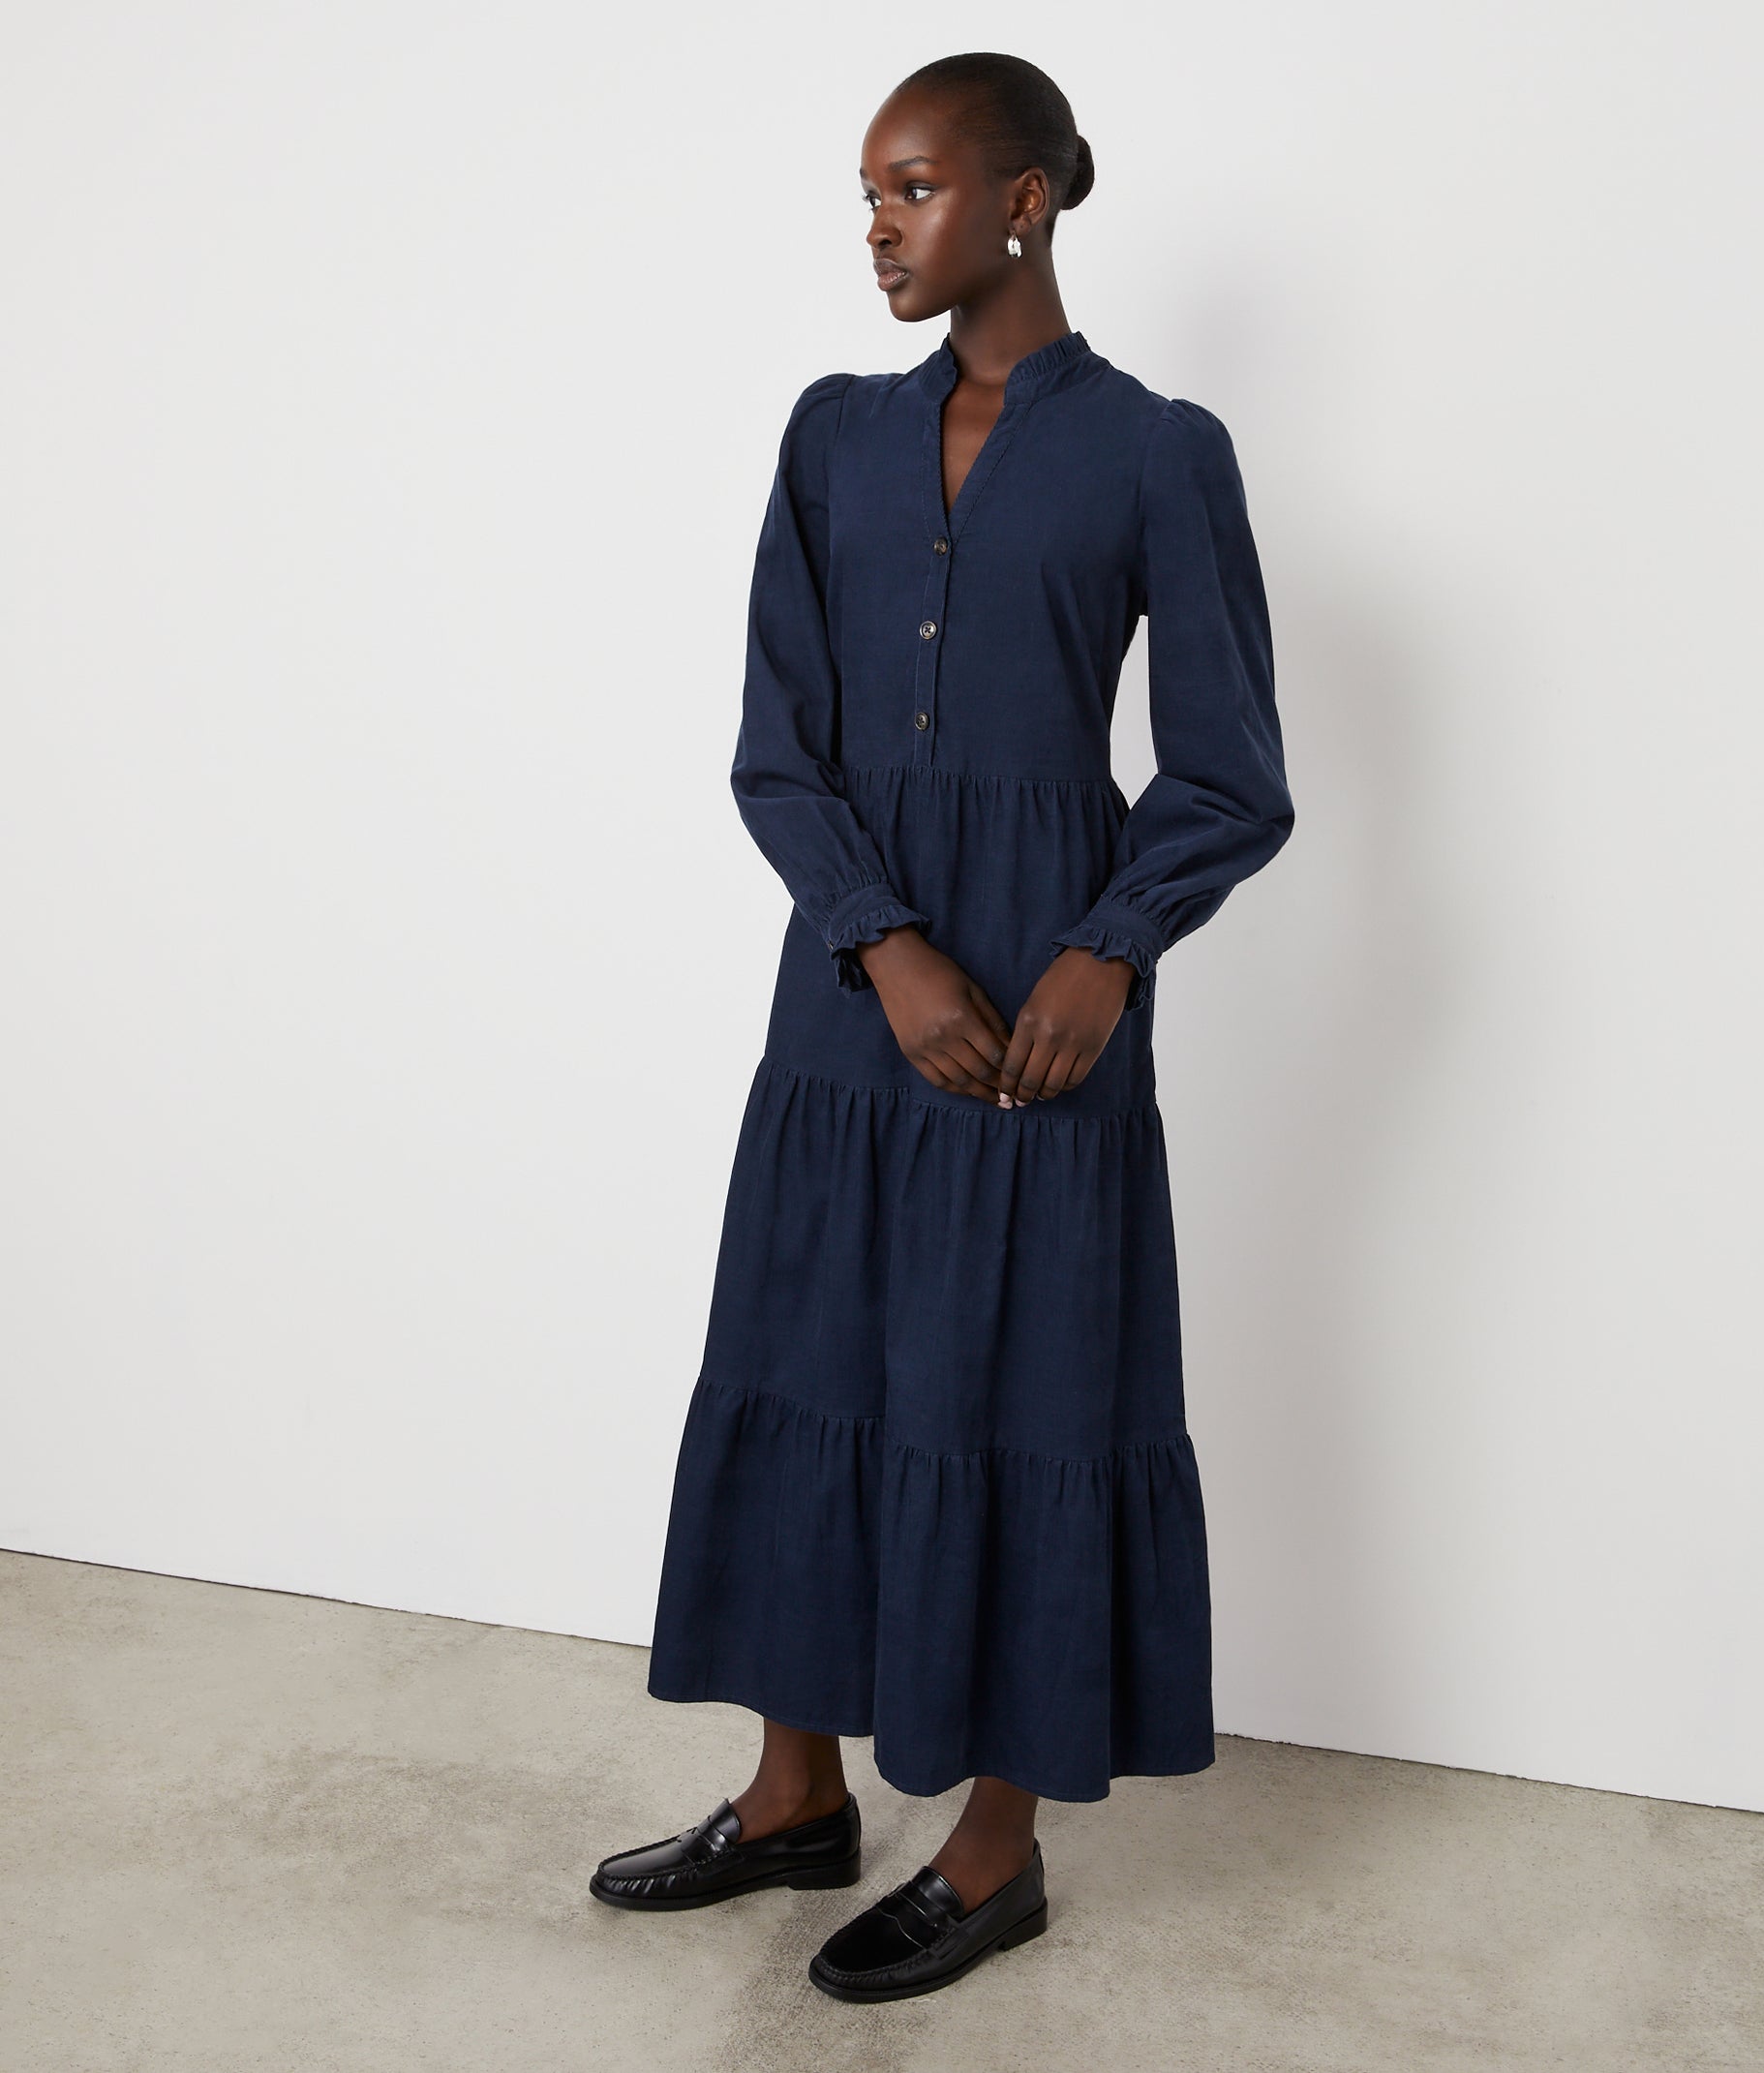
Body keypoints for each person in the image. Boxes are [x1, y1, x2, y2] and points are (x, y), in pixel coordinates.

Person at [588, 51, 1293, 2003]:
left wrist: (1105, 953)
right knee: (804, 1351)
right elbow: (777, 745)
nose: (882, 226)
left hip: (1047, 1014)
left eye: (913, 189)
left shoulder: (1158, 449)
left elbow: (1230, 774)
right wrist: (881, 943)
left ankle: (992, 1850)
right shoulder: (829, 436)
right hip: (850, 1003)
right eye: (868, 195)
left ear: (1027, 198)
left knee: (1024, 1387)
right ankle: (792, 1792)